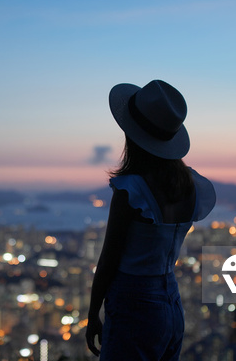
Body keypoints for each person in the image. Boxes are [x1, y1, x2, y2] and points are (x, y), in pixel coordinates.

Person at [85, 79, 216, 360]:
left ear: (133, 135)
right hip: (171, 302)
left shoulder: (131, 190)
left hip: (134, 305)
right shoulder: (190, 186)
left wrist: (93, 313)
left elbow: (108, 259)